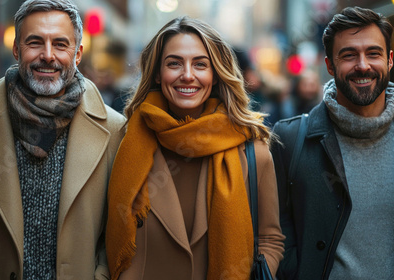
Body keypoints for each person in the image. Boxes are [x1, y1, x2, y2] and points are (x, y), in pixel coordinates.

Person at [0, 0, 125, 279]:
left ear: (78, 53)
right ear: (16, 49)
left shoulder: (115, 132)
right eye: (35, 42)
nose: (48, 55)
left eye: (60, 44)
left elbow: (117, 235)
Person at [105, 16, 284, 280]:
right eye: (174, 63)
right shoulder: (124, 141)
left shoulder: (253, 152)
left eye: (200, 64)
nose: (187, 75)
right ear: (157, 72)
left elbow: (270, 239)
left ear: (215, 74)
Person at [272, 6, 394, 280]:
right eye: (349, 55)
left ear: (390, 60)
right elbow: (275, 230)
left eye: (373, 53)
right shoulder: (289, 140)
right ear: (329, 65)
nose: (363, 65)